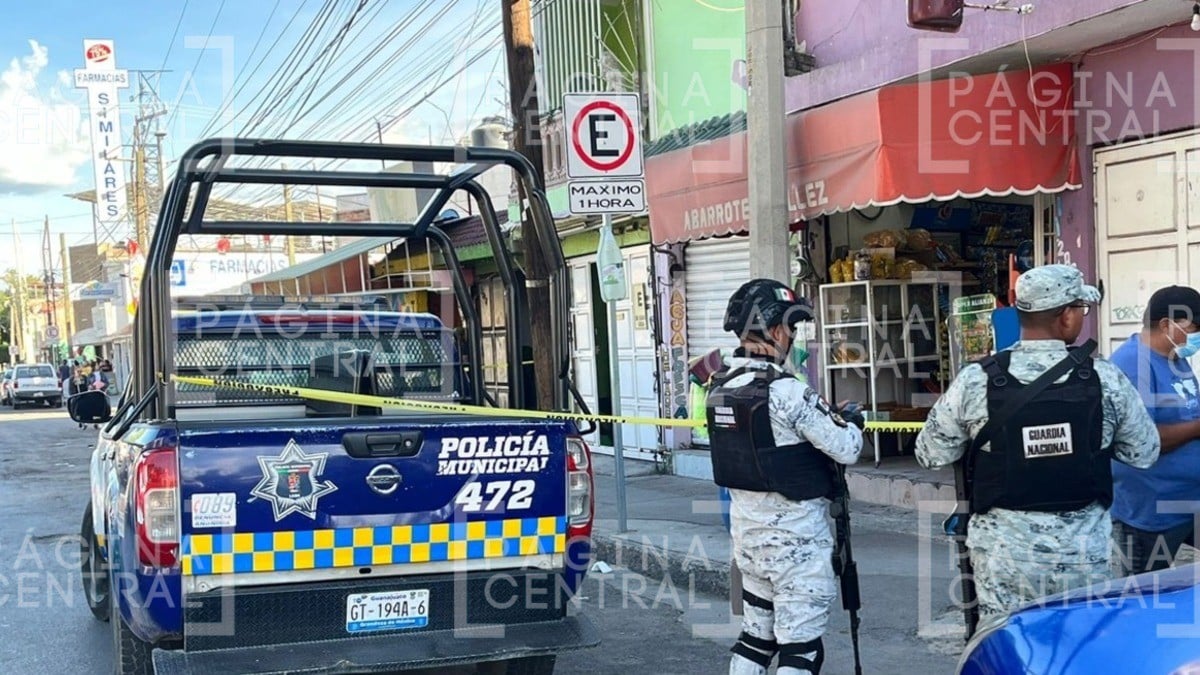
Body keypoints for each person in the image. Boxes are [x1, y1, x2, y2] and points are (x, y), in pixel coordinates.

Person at [915, 264, 1159, 622]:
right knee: (1082, 653)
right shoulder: (1104, 378)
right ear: (1065, 317)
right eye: (1081, 309)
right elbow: (1145, 452)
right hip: (1084, 559)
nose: (1081, 317)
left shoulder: (976, 380)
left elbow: (929, 453)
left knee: (1012, 653)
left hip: (1005, 560)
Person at [706, 279, 863, 675]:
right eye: (790, 329)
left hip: (749, 543)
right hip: (797, 549)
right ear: (776, 331)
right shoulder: (787, 391)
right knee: (801, 650)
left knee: (755, 642)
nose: (791, 337)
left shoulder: (720, 386)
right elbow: (847, 447)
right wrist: (851, 421)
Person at [1108, 285, 1200, 576]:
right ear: (1166, 325)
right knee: (1144, 596)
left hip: (1189, 500)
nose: (1198, 336)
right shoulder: (1131, 365)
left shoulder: (1176, 358)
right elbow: (1144, 440)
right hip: (1150, 511)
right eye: (1195, 327)